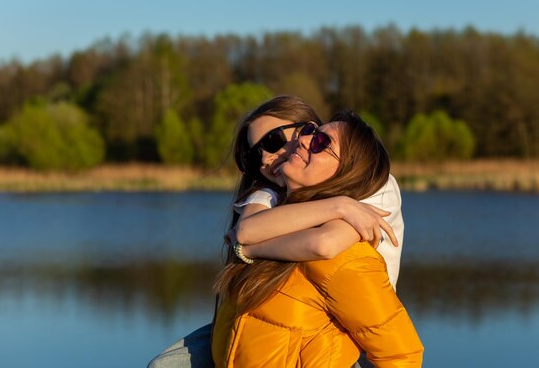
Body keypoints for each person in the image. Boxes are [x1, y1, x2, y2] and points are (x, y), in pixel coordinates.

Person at [147, 97, 406, 367]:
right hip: (272, 319)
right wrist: (338, 207)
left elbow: (326, 243)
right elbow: (247, 229)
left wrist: (249, 249)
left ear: (309, 128)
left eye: (272, 142)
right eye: (254, 155)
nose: (266, 160)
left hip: (351, 327)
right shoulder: (272, 190)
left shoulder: (373, 181)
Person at [211, 111, 423, 367]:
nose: (303, 141)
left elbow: (402, 355)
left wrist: (250, 249)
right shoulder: (272, 207)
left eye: (322, 143)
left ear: (346, 172)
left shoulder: (347, 251)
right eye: (311, 134)